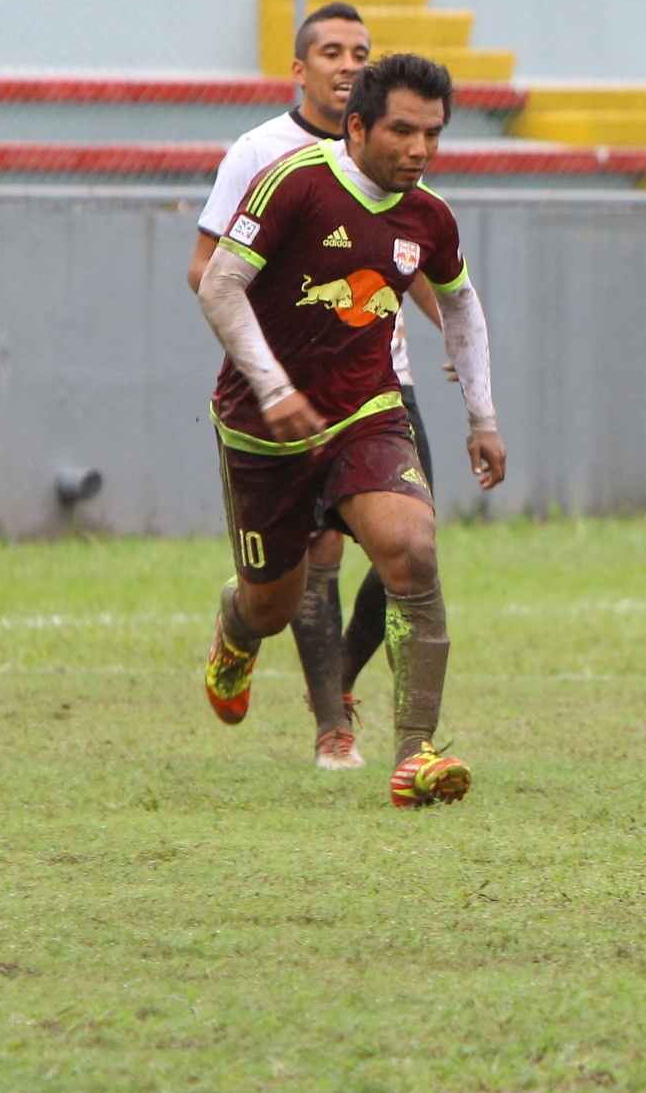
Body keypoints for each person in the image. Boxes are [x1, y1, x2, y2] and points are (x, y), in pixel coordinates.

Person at [195, 54, 506, 808]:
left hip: (367, 411)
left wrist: (482, 416)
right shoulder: (295, 183)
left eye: (433, 134)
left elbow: (460, 304)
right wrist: (273, 389)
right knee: (273, 605)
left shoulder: (428, 214)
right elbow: (219, 284)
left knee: (412, 549)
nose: (420, 150)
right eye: (403, 131)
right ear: (359, 126)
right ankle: (234, 631)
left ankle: (414, 755)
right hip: (262, 429)